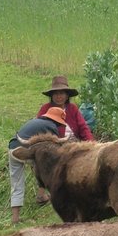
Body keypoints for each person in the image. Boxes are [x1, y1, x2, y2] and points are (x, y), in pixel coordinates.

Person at [35, 75, 94, 204]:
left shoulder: (72, 109)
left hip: (73, 142)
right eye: (56, 94)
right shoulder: (45, 109)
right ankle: (43, 194)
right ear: (52, 96)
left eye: (62, 93)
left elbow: (83, 128)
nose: (59, 96)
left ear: (67, 95)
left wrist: (92, 144)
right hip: (53, 143)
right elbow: (38, 127)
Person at [8, 106, 66, 225]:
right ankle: (41, 195)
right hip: (27, 151)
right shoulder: (51, 127)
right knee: (45, 168)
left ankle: (15, 218)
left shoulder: (34, 121)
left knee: (16, 184)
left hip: (13, 149)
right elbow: (54, 147)